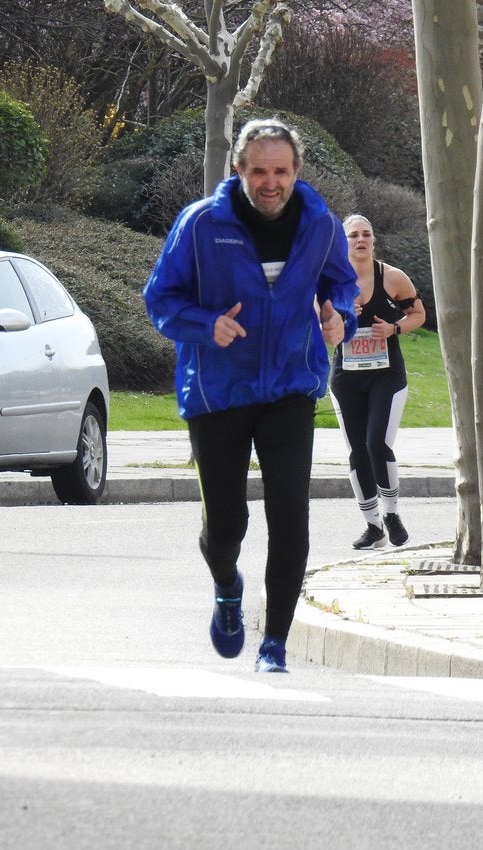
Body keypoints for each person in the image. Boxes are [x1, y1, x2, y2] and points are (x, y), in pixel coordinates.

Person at [144, 118, 358, 674]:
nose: (271, 182)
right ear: (238, 170)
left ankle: (275, 645)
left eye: (281, 171)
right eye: (259, 170)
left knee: (290, 515)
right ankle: (226, 585)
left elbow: (341, 285)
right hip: (219, 392)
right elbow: (160, 299)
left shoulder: (320, 224)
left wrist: (343, 320)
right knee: (227, 526)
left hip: (290, 386)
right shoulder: (199, 225)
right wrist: (203, 324)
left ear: (296, 172)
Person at [329, 214, 426, 549]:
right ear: (344, 241)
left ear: (373, 240)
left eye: (366, 234)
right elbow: (320, 326)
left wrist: (395, 328)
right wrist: (341, 319)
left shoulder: (393, 277)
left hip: (386, 376)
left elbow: (419, 314)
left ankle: (392, 513)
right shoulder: (330, 280)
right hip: (346, 378)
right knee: (357, 450)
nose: (360, 240)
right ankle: (372, 526)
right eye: (354, 235)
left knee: (376, 444)